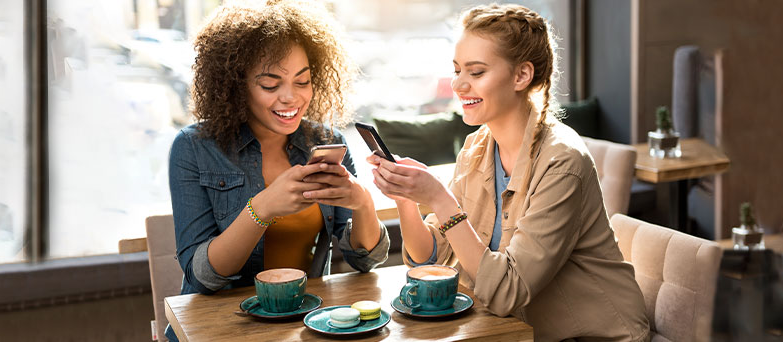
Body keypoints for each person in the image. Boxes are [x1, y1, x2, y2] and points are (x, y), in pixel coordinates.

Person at [369, 4, 651, 341]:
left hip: (596, 335)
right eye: (457, 70)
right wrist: (407, 201)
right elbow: (429, 261)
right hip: (514, 330)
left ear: (521, 76)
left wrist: (440, 200)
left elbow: (507, 292)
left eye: (476, 73)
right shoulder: (477, 148)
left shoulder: (562, 162)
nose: (458, 85)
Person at [165, 1, 390, 340]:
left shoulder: (326, 140)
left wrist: (363, 204)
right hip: (220, 328)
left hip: (305, 326)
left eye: (303, 81)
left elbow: (364, 261)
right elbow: (203, 278)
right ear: (236, 85)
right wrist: (262, 209)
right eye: (271, 85)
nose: (291, 98)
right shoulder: (194, 148)